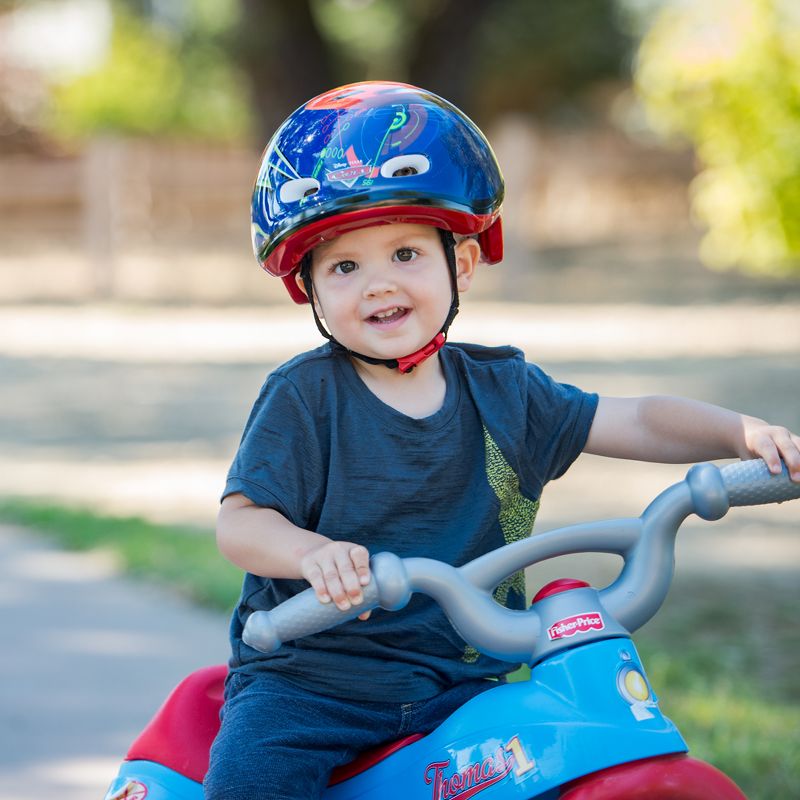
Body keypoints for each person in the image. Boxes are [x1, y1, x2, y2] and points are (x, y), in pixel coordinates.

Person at [204, 81, 800, 800]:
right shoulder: (305, 398)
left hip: (465, 682)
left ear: (459, 263)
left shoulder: (507, 392)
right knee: (251, 782)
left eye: (404, 253)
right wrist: (311, 554)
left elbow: (637, 418)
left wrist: (740, 434)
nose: (375, 284)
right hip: (312, 687)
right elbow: (240, 522)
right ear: (310, 290)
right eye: (344, 266)